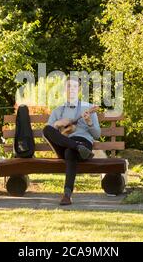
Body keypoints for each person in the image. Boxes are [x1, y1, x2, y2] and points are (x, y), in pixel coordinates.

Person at [42, 77, 101, 205]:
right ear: (65, 89)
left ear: (79, 89)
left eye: (75, 86)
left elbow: (97, 135)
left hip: (84, 144)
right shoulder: (58, 110)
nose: (72, 89)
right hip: (64, 146)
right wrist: (57, 124)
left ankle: (67, 195)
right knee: (47, 128)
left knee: (70, 152)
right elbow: (47, 134)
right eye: (69, 86)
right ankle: (77, 146)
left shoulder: (88, 108)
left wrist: (89, 122)